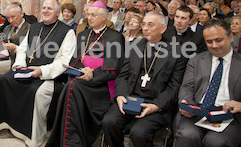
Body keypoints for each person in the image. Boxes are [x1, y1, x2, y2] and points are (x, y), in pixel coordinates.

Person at [0, 0, 77, 147]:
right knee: (4, 80)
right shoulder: (34, 27)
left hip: (49, 77)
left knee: (36, 92)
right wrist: (19, 65)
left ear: (58, 13)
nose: (45, 11)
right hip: (27, 70)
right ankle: (6, 124)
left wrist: (41, 71)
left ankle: (33, 137)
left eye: (49, 9)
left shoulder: (67, 32)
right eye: (43, 8)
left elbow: (64, 61)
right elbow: (23, 49)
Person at [102, 11, 188, 147]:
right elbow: (123, 75)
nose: (145, 28)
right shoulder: (135, 46)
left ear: (163, 28)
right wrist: (120, 95)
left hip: (155, 103)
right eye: (144, 24)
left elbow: (175, 86)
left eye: (150, 25)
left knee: (139, 133)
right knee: (109, 122)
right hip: (130, 98)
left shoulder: (176, 52)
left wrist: (156, 105)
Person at [46, 1, 125, 147]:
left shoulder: (115, 37)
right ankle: (70, 140)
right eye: (88, 14)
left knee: (72, 86)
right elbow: (74, 60)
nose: (89, 17)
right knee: (72, 86)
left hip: (102, 85)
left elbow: (114, 68)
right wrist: (84, 70)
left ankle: (71, 141)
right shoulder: (83, 35)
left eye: (93, 15)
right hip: (82, 79)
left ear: (104, 17)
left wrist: (93, 75)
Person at [175, 19, 241, 147]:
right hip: (198, 111)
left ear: (231, 37)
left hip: (230, 116)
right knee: (187, 136)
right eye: (209, 42)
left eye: (219, 40)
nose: (214, 45)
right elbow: (186, 87)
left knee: (216, 142)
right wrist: (186, 102)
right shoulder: (197, 60)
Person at [0, 2, 31, 126]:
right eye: (8, 18)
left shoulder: (30, 28)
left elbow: (31, 51)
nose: (10, 20)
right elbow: (1, 43)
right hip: (4, 60)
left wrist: (15, 47)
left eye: (13, 17)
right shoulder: (7, 28)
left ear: (21, 14)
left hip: (18, 63)